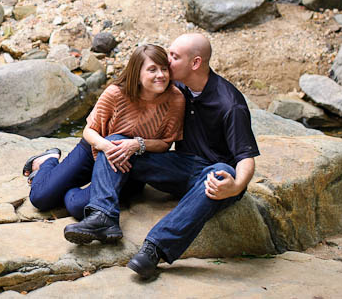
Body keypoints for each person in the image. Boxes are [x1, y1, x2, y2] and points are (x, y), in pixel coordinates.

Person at [63, 33, 260, 280]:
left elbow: (245, 157)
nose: (167, 61)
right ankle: (103, 216)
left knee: (223, 169)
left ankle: (154, 250)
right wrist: (133, 142)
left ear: (195, 63)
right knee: (116, 142)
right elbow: (139, 89)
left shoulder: (229, 103)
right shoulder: (178, 86)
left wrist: (236, 186)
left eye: (174, 57)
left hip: (211, 179)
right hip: (180, 167)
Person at [24, 44, 185, 223]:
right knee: (40, 198)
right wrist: (106, 147)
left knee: (79, 208)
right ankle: (48, 160)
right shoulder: (116, 93)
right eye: (152, 70)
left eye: (164, 69)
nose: (161, 75)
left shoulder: (175, 100)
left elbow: (165, 143)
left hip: (129, 164)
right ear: (137, 74)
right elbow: (89, 131)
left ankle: (68, 189)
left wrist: (137, 144)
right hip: (95, 149)